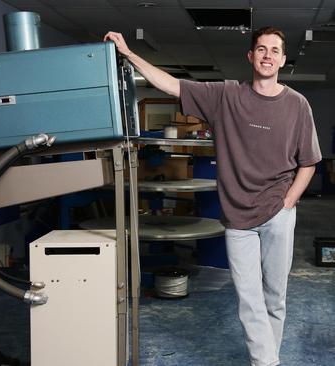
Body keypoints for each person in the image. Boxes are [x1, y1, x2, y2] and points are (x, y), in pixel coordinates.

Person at [104, 26, 322, 366]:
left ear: (282, 59)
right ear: (251, 57)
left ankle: (266, 360)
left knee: (275, 298)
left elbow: (308, 163)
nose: (267, 55)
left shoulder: (297, 105)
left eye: (274, 50)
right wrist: (129, 54)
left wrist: (287, 202)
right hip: (237, 216)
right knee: (249, 300)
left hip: (278, 212)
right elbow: (172, 85)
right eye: (261, 49)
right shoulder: (226, 96)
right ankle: (267, 363)